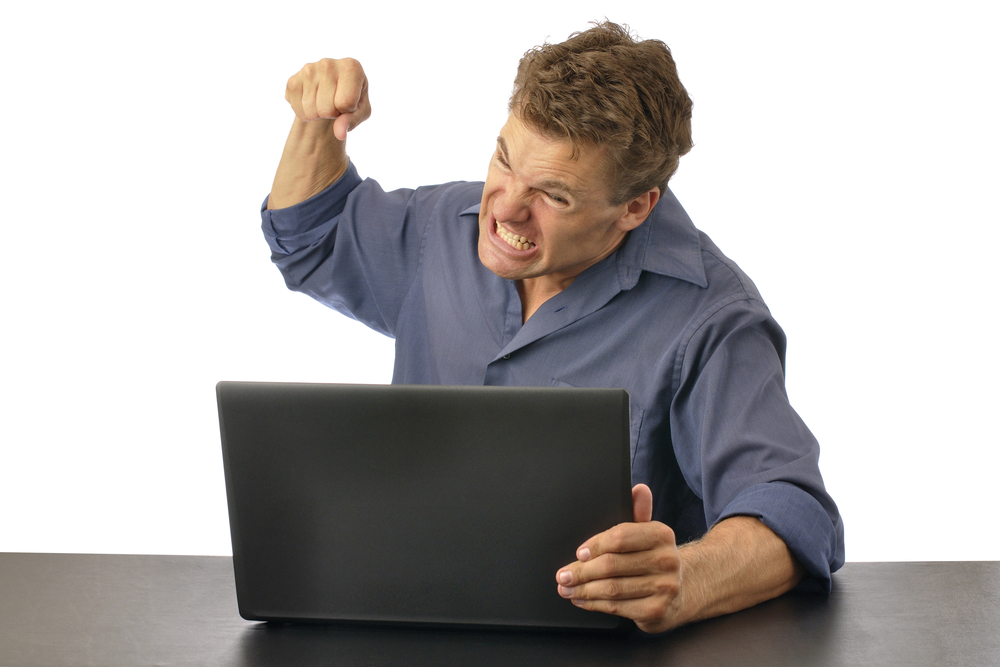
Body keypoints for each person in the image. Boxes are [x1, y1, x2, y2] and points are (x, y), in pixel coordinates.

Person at [260, 22, 844, 633]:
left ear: (635, 207)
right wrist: (316, 122)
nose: (505, 208)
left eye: (553, 196)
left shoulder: (712, 317)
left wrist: (688, 578)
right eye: (504, 160)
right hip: (415, 624)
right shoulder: (442, 226)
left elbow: (793, 512)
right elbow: (312, 236)